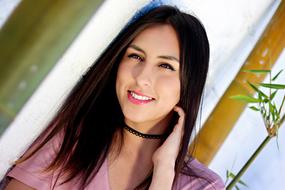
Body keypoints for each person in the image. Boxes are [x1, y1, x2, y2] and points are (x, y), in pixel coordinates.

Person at [3, 3, 225, 190]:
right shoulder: (73, 140)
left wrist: (164, 173)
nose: (141, 78)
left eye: (165, 66)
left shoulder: (201, 186)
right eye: (136, 57)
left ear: (189, 82)